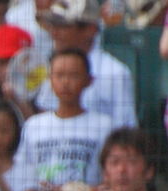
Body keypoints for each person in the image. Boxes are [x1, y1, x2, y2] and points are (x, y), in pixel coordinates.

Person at [12, 47, 114, 191]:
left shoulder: (104, 125)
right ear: (50, 79)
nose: (65, 82)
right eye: (59, 75)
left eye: (73, 75)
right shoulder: (34, 125)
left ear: (89, 80)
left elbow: (109, 178)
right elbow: (23, 175)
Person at [31, 0, 137, 130]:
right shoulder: (54, 67)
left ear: (90, 29)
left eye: (62, 26)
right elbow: (45, 118)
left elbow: (125, 130)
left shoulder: (116, 73)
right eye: (53, 26)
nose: (54, 34)